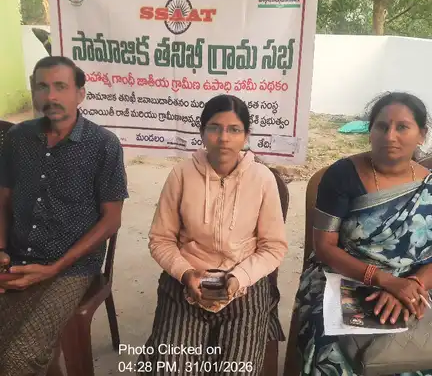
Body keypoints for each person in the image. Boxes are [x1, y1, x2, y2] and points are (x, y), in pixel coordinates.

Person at [138, 94, 288, 375]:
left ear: (246, 136)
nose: (224, 138)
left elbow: (273, 247)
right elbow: (161, 239)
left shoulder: (262, 179)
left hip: (244, 284)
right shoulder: (181, 174)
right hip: (187, 280)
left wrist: (239, 277)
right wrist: (186, 274)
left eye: (234, 130)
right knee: (170, 368)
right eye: (215, 128)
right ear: (202, 132)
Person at [0, 56, 128, 376]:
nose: (51, 96)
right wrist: (0, 249)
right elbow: (3, 200)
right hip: (15, 255)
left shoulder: (103, 145)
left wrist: (53, 268)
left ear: (80, 93)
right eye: (42, 87)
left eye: (61, 86)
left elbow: (111, 220)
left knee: (18, 360)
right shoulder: (17, 138)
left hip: (71, 268)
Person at [294, 92, 432, 375]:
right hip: (344, 276)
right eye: (382, 126)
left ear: (422, 135)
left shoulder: (428, 186)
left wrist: (411, 285)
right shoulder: (342, 176)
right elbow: (325, 247)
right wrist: (385, 281)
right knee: (332, 350)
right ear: (370, 132)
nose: (390, 136)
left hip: (415, 283)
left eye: (402, 127)